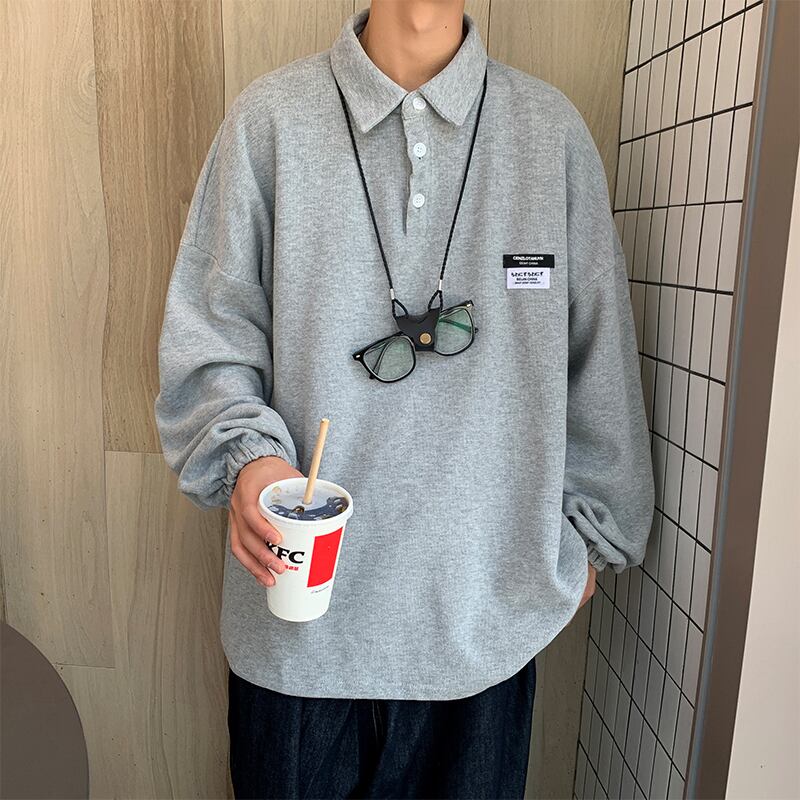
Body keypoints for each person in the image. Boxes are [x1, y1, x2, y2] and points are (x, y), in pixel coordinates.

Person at [154, 0, 655, 797]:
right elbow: (211, 337)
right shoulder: (270, 123)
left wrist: (590, 538)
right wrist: (248, 461)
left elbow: (599, 354)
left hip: (483, 627)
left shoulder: (547, 134)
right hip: (298, 636)